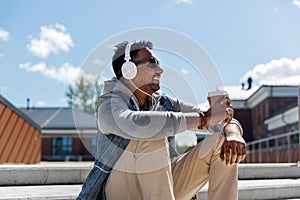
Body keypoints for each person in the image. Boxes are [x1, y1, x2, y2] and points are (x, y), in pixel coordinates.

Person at [77, 40, 246, 200]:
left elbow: (214, 120)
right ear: (128, 70)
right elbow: (133, 123)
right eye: (152, 62)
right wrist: (204, 118)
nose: (160, 69)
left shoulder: (165, 102)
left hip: (161, 185)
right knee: (151, 134)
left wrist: (233, 133)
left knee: (222, 143)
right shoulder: (109, 102)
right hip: (120, 191)